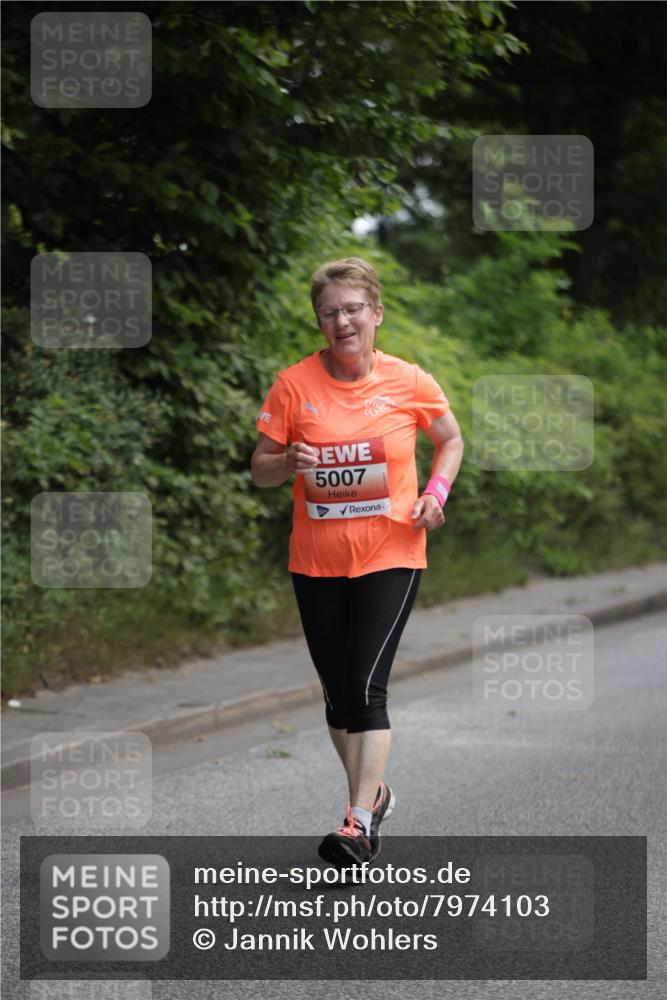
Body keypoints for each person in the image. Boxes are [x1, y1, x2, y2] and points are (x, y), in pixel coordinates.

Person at [251, 257, 464, 868]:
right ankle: (375, 797)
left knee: (367, 687)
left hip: (391, 553)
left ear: (376, 313)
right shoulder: (293, 385)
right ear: (318, 321)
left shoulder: (409, 381)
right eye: (328, 312)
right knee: (338, 695)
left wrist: (435, 494)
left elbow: (449, 439)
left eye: (351, 309)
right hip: (315, 563)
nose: (341, 321)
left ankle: (358, 820)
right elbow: (259, 467)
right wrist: (287, 462)